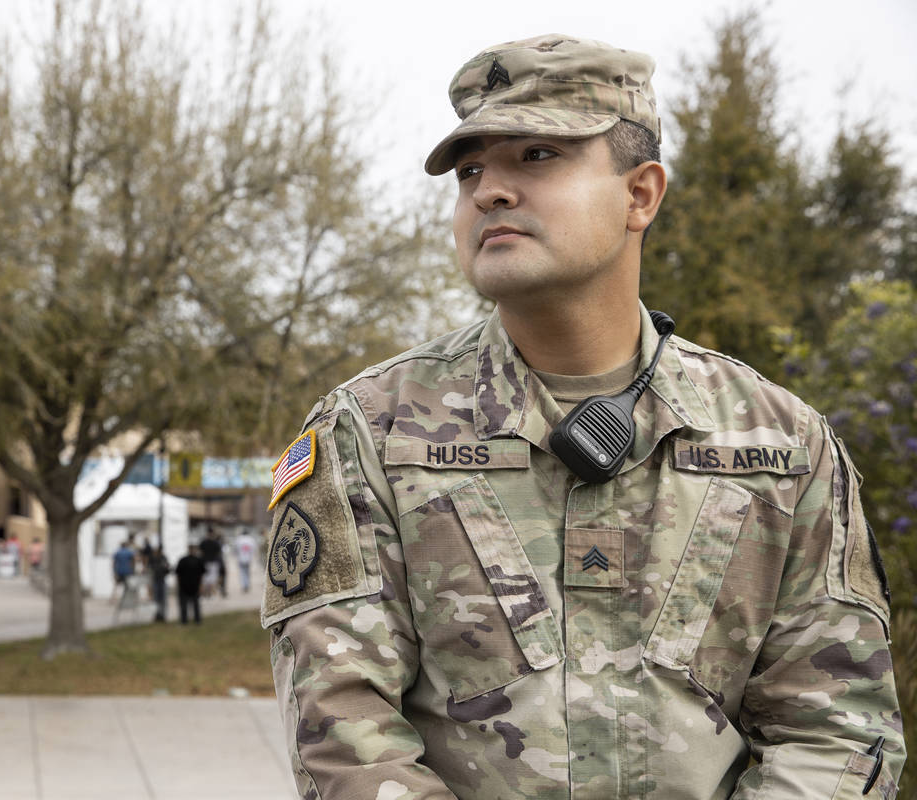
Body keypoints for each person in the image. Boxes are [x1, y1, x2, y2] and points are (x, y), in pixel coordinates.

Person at [260, 34, 904, 800]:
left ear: (641, 194)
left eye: (537, 156)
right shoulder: (368, 432)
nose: (489, 192)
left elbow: (835, 729)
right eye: (471, 172)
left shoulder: (779, 443)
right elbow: (346, 739)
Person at [175, 544, 206, 624]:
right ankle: (185, 620)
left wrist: (201, 586)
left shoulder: (197, 560)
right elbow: (178, 573)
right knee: (185, 605)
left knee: (195, 604)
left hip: (193, 585)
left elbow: (201, 574)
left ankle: (196, 619)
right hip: (185, 586)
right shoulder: (183, 560)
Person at [198, 526, 224, 598]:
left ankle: (206, 593)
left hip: (205, 562)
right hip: (213, 562)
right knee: (212, 579)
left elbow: (200, 552)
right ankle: (210, 593)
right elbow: (219, 554)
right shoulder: (216, 542)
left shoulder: (203, 542)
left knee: (205, 579)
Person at [147, 547, 171, 622]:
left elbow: (167, 568)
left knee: (163, 599)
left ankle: (163, 615)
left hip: (162, 580)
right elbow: (149, 569)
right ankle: (157, 615)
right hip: (155, 580)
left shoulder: (163, 558)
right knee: (156, 599)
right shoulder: (152, 559)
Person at [111, 538, 136, 604]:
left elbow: (114, 563)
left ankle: (113, 599)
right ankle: (129, 600)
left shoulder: (117, 552)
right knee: (128, 586)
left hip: (119, 571)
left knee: (116, 585)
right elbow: (133, 562)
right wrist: (133, 570)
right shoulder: (129, 552)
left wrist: (114, 572)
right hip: (128, 571)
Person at [234, 528, 257, 593]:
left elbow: (235, 549)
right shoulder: (251, 539)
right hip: (249, 558)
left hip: (241, 558)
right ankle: (247, 585)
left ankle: (243, 585)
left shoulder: (239, 539)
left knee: (242, 573)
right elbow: (254, 549)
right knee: (247, 572)